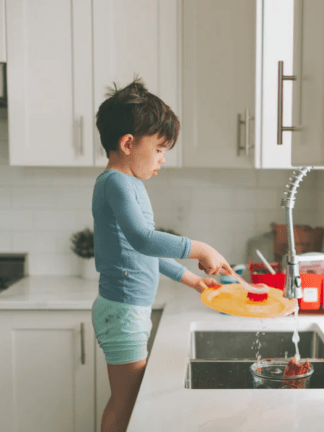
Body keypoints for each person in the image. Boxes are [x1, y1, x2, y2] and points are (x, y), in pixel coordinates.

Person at [92, 78, 232, 432]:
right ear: (128, 144)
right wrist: (200, 248)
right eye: (158, 149)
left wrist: (193, 279)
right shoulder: (115, 183)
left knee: (128, 404)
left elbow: (141, 253)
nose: (162, 159)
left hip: (129, 310)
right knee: (124, 406)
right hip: (123, 312)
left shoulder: (129, 185)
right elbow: (144, 239)